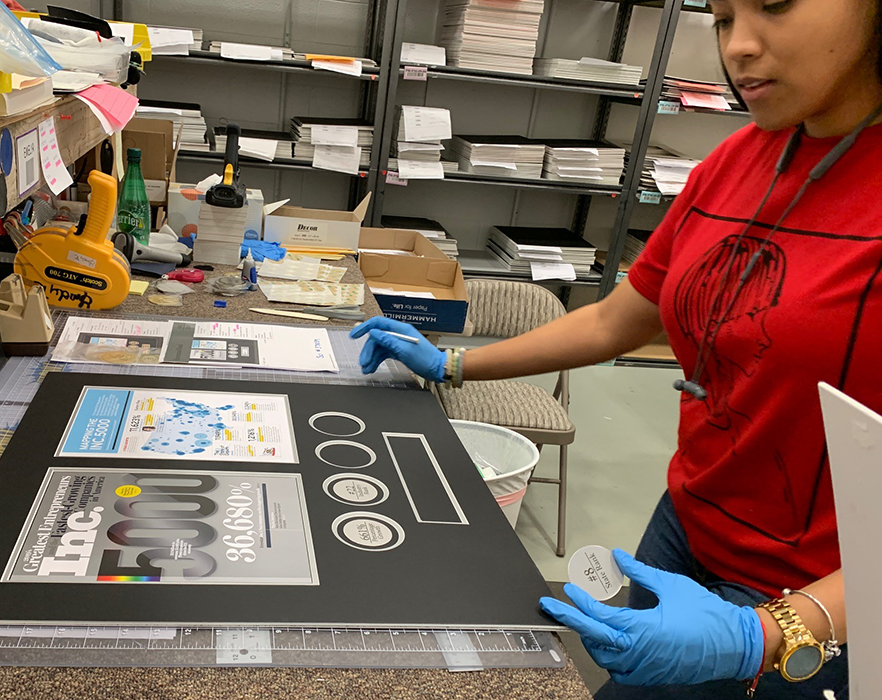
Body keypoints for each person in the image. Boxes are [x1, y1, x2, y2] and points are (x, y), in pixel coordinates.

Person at [351, 0, 882, 696]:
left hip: (829, 601)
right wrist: (453, 363)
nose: (738, 47)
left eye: (774, 4)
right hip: (686, 533)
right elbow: (615, 322)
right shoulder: (737, 159)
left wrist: (764, 633)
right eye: (721, 18)